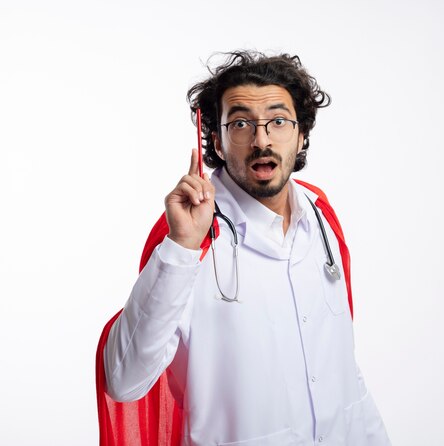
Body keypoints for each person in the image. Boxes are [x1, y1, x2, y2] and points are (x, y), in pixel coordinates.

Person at [96, 50, 391, 446]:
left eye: (278, 121)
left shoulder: (322, 220)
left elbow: (344, 374)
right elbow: (124, 381)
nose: (261, 139)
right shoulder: (193, 239)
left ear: (301, 133)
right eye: (240, 123)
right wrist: (182, 246)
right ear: (216, 139)